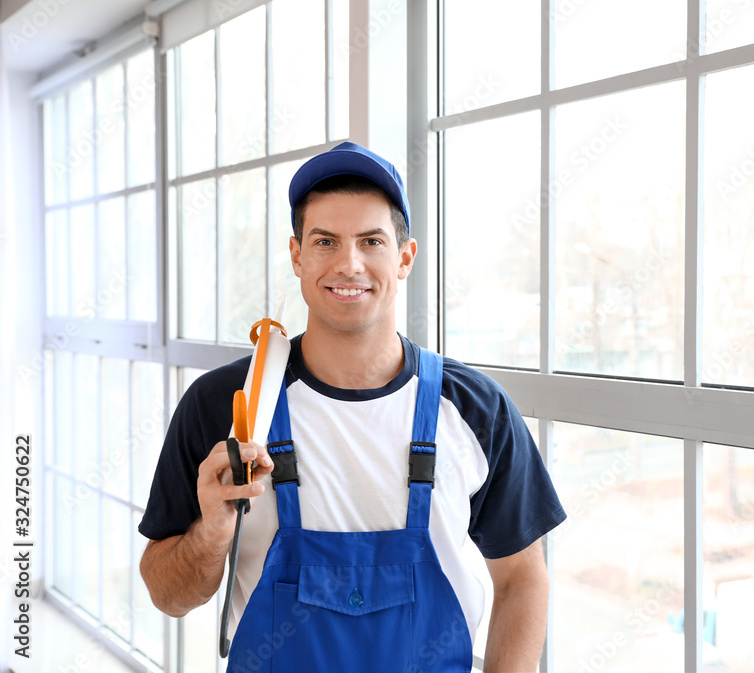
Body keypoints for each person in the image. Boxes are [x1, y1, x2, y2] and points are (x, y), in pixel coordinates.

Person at [138, 141, 566, 672]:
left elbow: (523, 577)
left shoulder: (476, 410)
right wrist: (213, 528)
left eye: (371, 240)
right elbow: (169, 596)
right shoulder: (228, 405)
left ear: (404, 257)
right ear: (297, 255)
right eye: (325, 241)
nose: (349, 263)